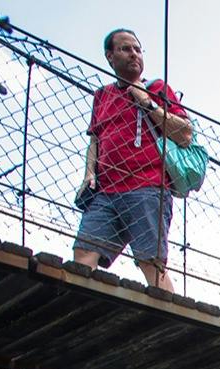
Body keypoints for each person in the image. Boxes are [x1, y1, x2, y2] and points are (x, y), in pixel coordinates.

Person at [71, 28, 192, 292]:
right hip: (106, 192)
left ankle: (167, 313)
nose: (134, 54)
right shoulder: (102, 96)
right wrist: (89, 174)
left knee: (151, 263)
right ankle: (86, 308)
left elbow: (185, 133)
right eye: (126, 49)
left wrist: (147, 102)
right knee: (83, 254)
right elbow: (95, 140)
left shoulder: (157, 88)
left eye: (138, 49)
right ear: (110, 56)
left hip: (147, 187)